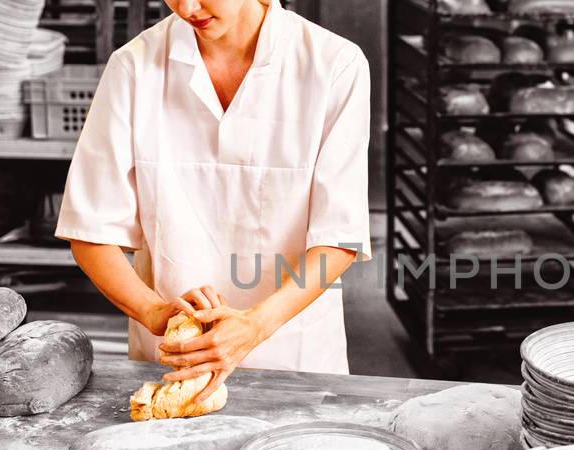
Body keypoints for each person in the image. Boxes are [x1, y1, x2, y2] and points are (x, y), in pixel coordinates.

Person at [55, 0, 371, 401]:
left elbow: (339, 236)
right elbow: (90, 230)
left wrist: (255, 325)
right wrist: (153, 311)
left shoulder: (334, 64)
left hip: (294, 357)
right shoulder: (134, 66)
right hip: (173, 362)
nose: (187, 8)